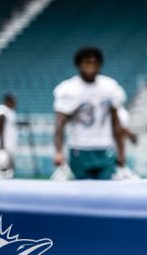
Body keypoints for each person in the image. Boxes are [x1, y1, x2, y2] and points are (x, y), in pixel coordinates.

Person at [52, 47, 129, 180]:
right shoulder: (68, 89)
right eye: (87, 63)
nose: (91, 67)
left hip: (105, 147)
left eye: (94, 63)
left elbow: (116, 124)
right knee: (81, 193)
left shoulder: (110, 87)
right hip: (79, 148)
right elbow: (59, 124)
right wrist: (58, 151)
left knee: (106, 192)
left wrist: (121, 152)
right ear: (79, 64)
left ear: (100, 65)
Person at [0, 93, 18, 178]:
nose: (15, 103)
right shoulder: (2, 109)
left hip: (9, 144)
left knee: (9, 168)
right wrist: (2, 145)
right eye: (14, 101)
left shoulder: (11, 111)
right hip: (2, 144)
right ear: (8, 101)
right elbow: (0, 123)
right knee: (0, 166)